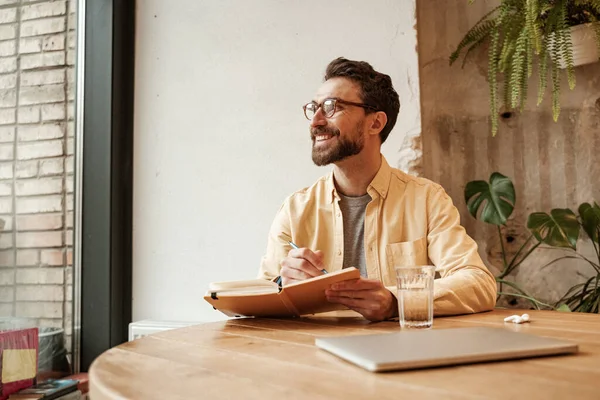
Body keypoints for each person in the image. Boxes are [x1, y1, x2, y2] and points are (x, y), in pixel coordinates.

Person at [258, 57, 497, 321]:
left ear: (375, 123)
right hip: (315, 356)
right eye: (314, 107)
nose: (315, 121)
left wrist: (397, 301)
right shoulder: (295, 209)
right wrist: (284, 285)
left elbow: (479, 284)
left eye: (330, 107)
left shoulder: (426, 199)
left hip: (401, 355)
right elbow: (261, 295)